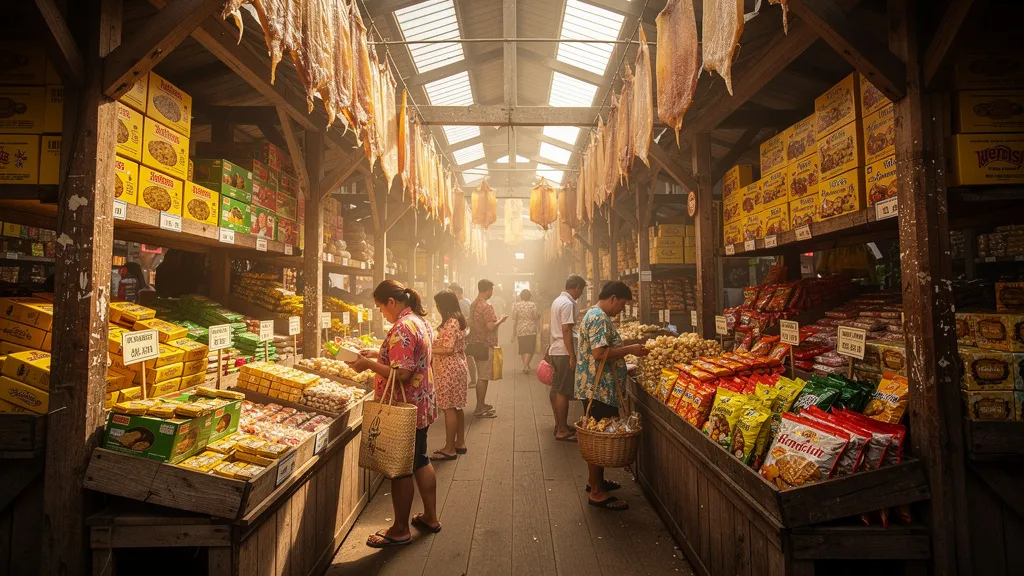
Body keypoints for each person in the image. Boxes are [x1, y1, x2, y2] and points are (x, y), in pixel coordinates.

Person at [346, 280, 440, 546]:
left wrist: (367, 364)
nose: (381, 313)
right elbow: (412, 356)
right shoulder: (420, 321)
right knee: (420, 459)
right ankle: (430, 517)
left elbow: (403, 373)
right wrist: (378, 353)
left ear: (392, 302)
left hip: (403, 407)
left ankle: (399, 529)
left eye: (380, 307)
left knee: (401, 470)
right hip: (421, 403)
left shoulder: (402, 327)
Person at [575, 281, 649, 511]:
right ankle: (597, 492)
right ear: (614, 298)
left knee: (595, 436)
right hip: (599, 390)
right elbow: (599, 353)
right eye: (623, 304)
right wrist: (630, 350)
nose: (621, 310)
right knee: (599, 438)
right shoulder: (599, 317)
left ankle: (594, 481)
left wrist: (628, 345)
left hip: (594, 387)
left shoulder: (593, 313)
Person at [430, 290, 469, 461]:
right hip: (456, 367)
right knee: (456, 406)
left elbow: (448, 348)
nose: (437, 308)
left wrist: (429, 349)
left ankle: (449, 448)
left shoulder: (452, 322)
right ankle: (459, 443)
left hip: (449, 369)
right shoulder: (457, 319)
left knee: (448, 408)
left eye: (438, 304)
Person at [549, 275, 586, 442]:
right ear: (577, 287)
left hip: (556, 350)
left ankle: (559, 424)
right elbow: (566, 330)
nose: (581, 294)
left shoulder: (558, 300)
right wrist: (572, 355)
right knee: (563, 391)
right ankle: (562, 430)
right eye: (581, 290)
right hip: (564, 351)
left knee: (557, 388)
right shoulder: (568, 303)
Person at [467, 279, 506, 418]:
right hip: (484, 344)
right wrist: (501, 320)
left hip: (475, 343)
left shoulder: (473, 304)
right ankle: (479, 407)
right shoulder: (486, 306)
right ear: (487, 289)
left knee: (481, 375)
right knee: (483, 377)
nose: (492, 293)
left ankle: (482, 404)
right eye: (491, 290)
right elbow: (490, 326)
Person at [449, 282, 476, 386]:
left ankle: (472, 380)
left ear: (459, 292)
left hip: (464, 331)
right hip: (465, 331)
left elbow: (468, 318)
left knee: (467, 355)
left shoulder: (462, 303)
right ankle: (470, 380)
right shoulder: (465, 301)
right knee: (467, 355)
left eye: (452, 292)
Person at [511, 289, 540, 374]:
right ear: (530, 296)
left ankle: (525, 365)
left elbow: (514, 317)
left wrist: (513, 332)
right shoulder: (532, 305)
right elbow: (535, 316)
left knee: (523, 348)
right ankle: (526, 366)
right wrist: (538, 315)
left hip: (520, 329)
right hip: (531, 329)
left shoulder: (517, 305)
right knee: (530, 349)